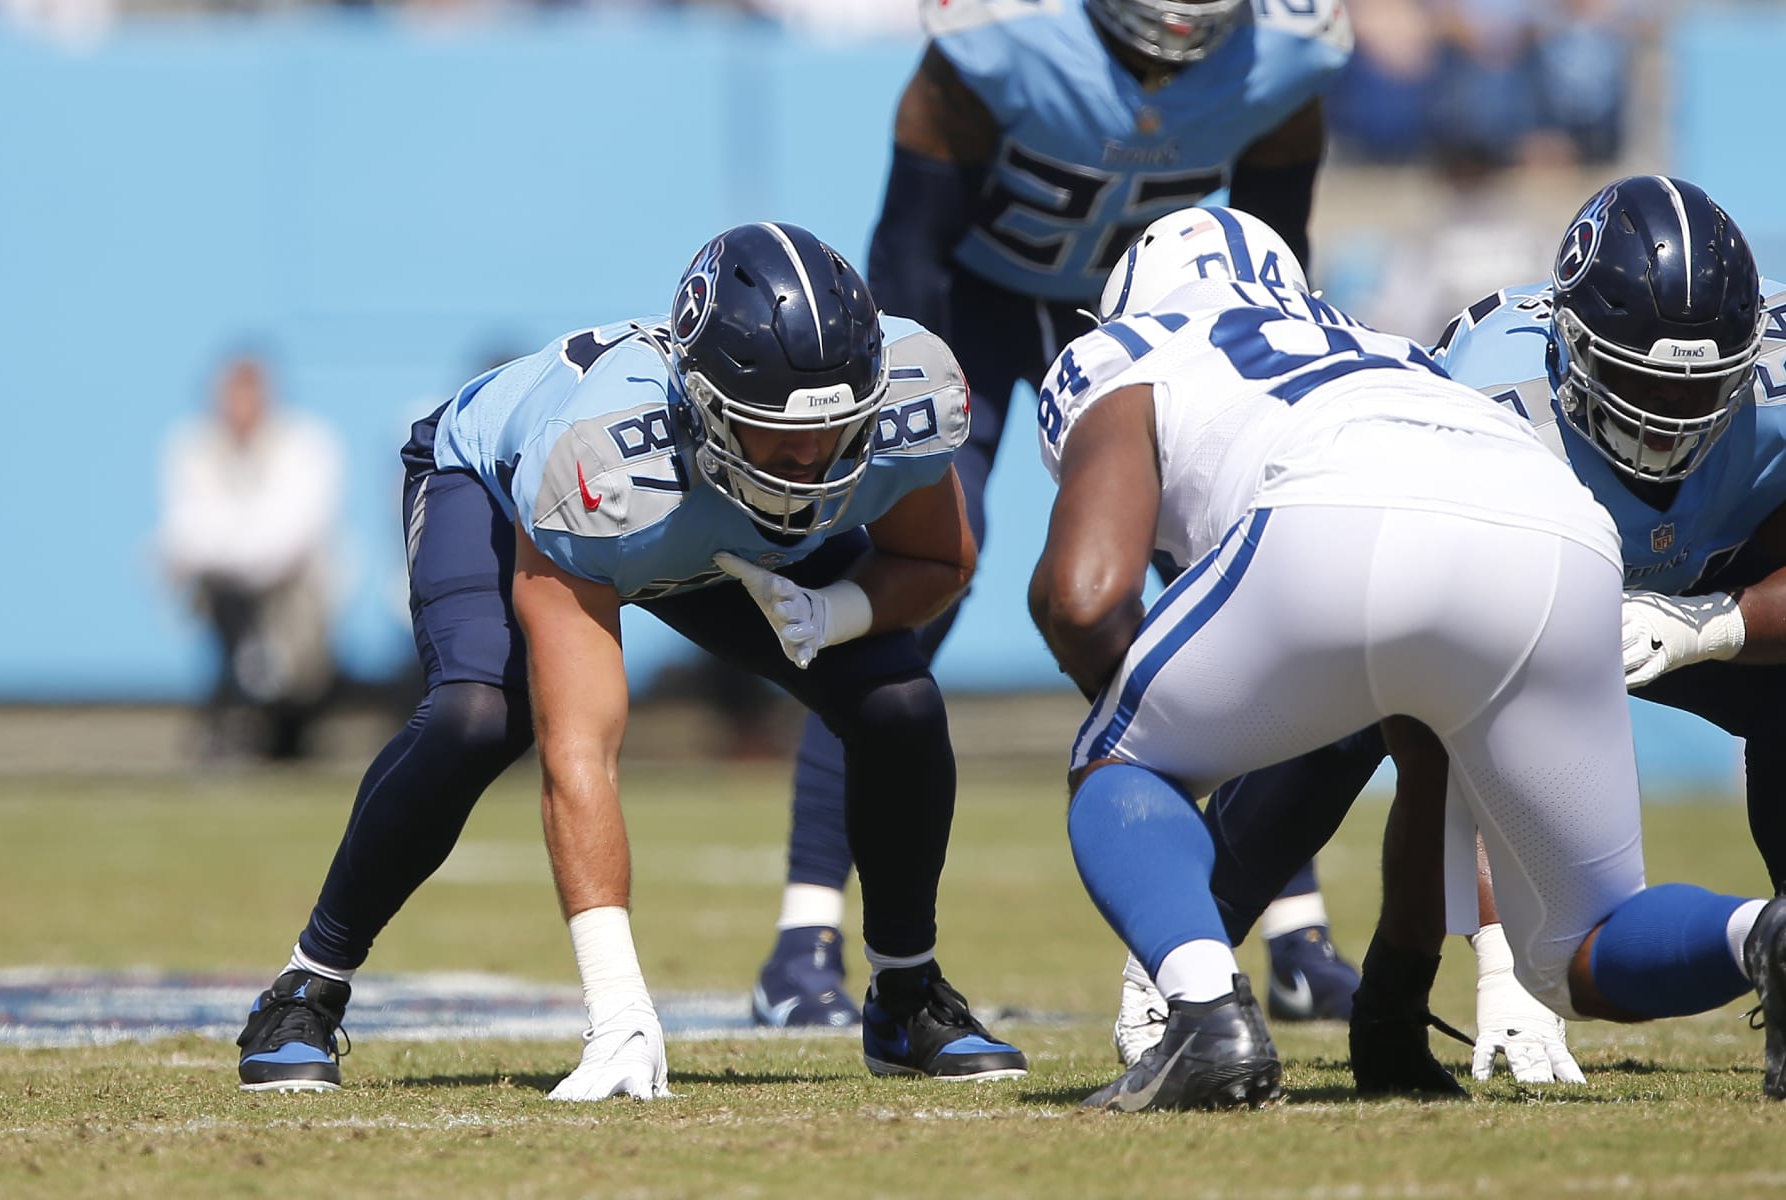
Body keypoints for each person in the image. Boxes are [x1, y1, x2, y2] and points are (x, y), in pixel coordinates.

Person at [233, 221, 1027, 1097]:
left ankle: (908, 996)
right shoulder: (600, 458)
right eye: (776, 434)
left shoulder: (912, 393)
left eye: (838, 431)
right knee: (478, 717)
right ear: (706, 404)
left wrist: (833, 611)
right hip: (509, 491)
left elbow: (939, 561)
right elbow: (580, 749)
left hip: (697, 530)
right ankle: (305, 988)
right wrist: (618, 1008)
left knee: (900, 699)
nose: (809, 464)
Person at [1023, 204, 1786, 1111]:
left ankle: (1200, 1005)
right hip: (1561, 539)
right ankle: (1760, 934)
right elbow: (1425, 741)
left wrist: (1150, 750)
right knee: (1582, 947)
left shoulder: (1127, 348)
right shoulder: (1382, 344)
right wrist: (1394, 992)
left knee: (1118, 758)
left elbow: (1080, 597)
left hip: (1336, 512)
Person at [755, 0, 1366, 1033]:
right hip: (976, 308)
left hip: (1155, 332)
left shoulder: (1286, 58)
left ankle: (1296, 935)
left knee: (1241, 586)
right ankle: (803, 939)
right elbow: (908, 247)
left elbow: (1274, 266)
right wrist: (907, 400)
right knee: (911, 583)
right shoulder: (1001, 39)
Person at [157, 353, 342, 762]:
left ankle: (279, 719)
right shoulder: (192, 446)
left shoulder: (306, 444)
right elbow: (185, 530)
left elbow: (292, 535)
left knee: (295, 674)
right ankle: (237, 709)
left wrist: (233, 548)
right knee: (224, 609)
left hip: (294, 589)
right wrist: (236, 550)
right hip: (222, 590)